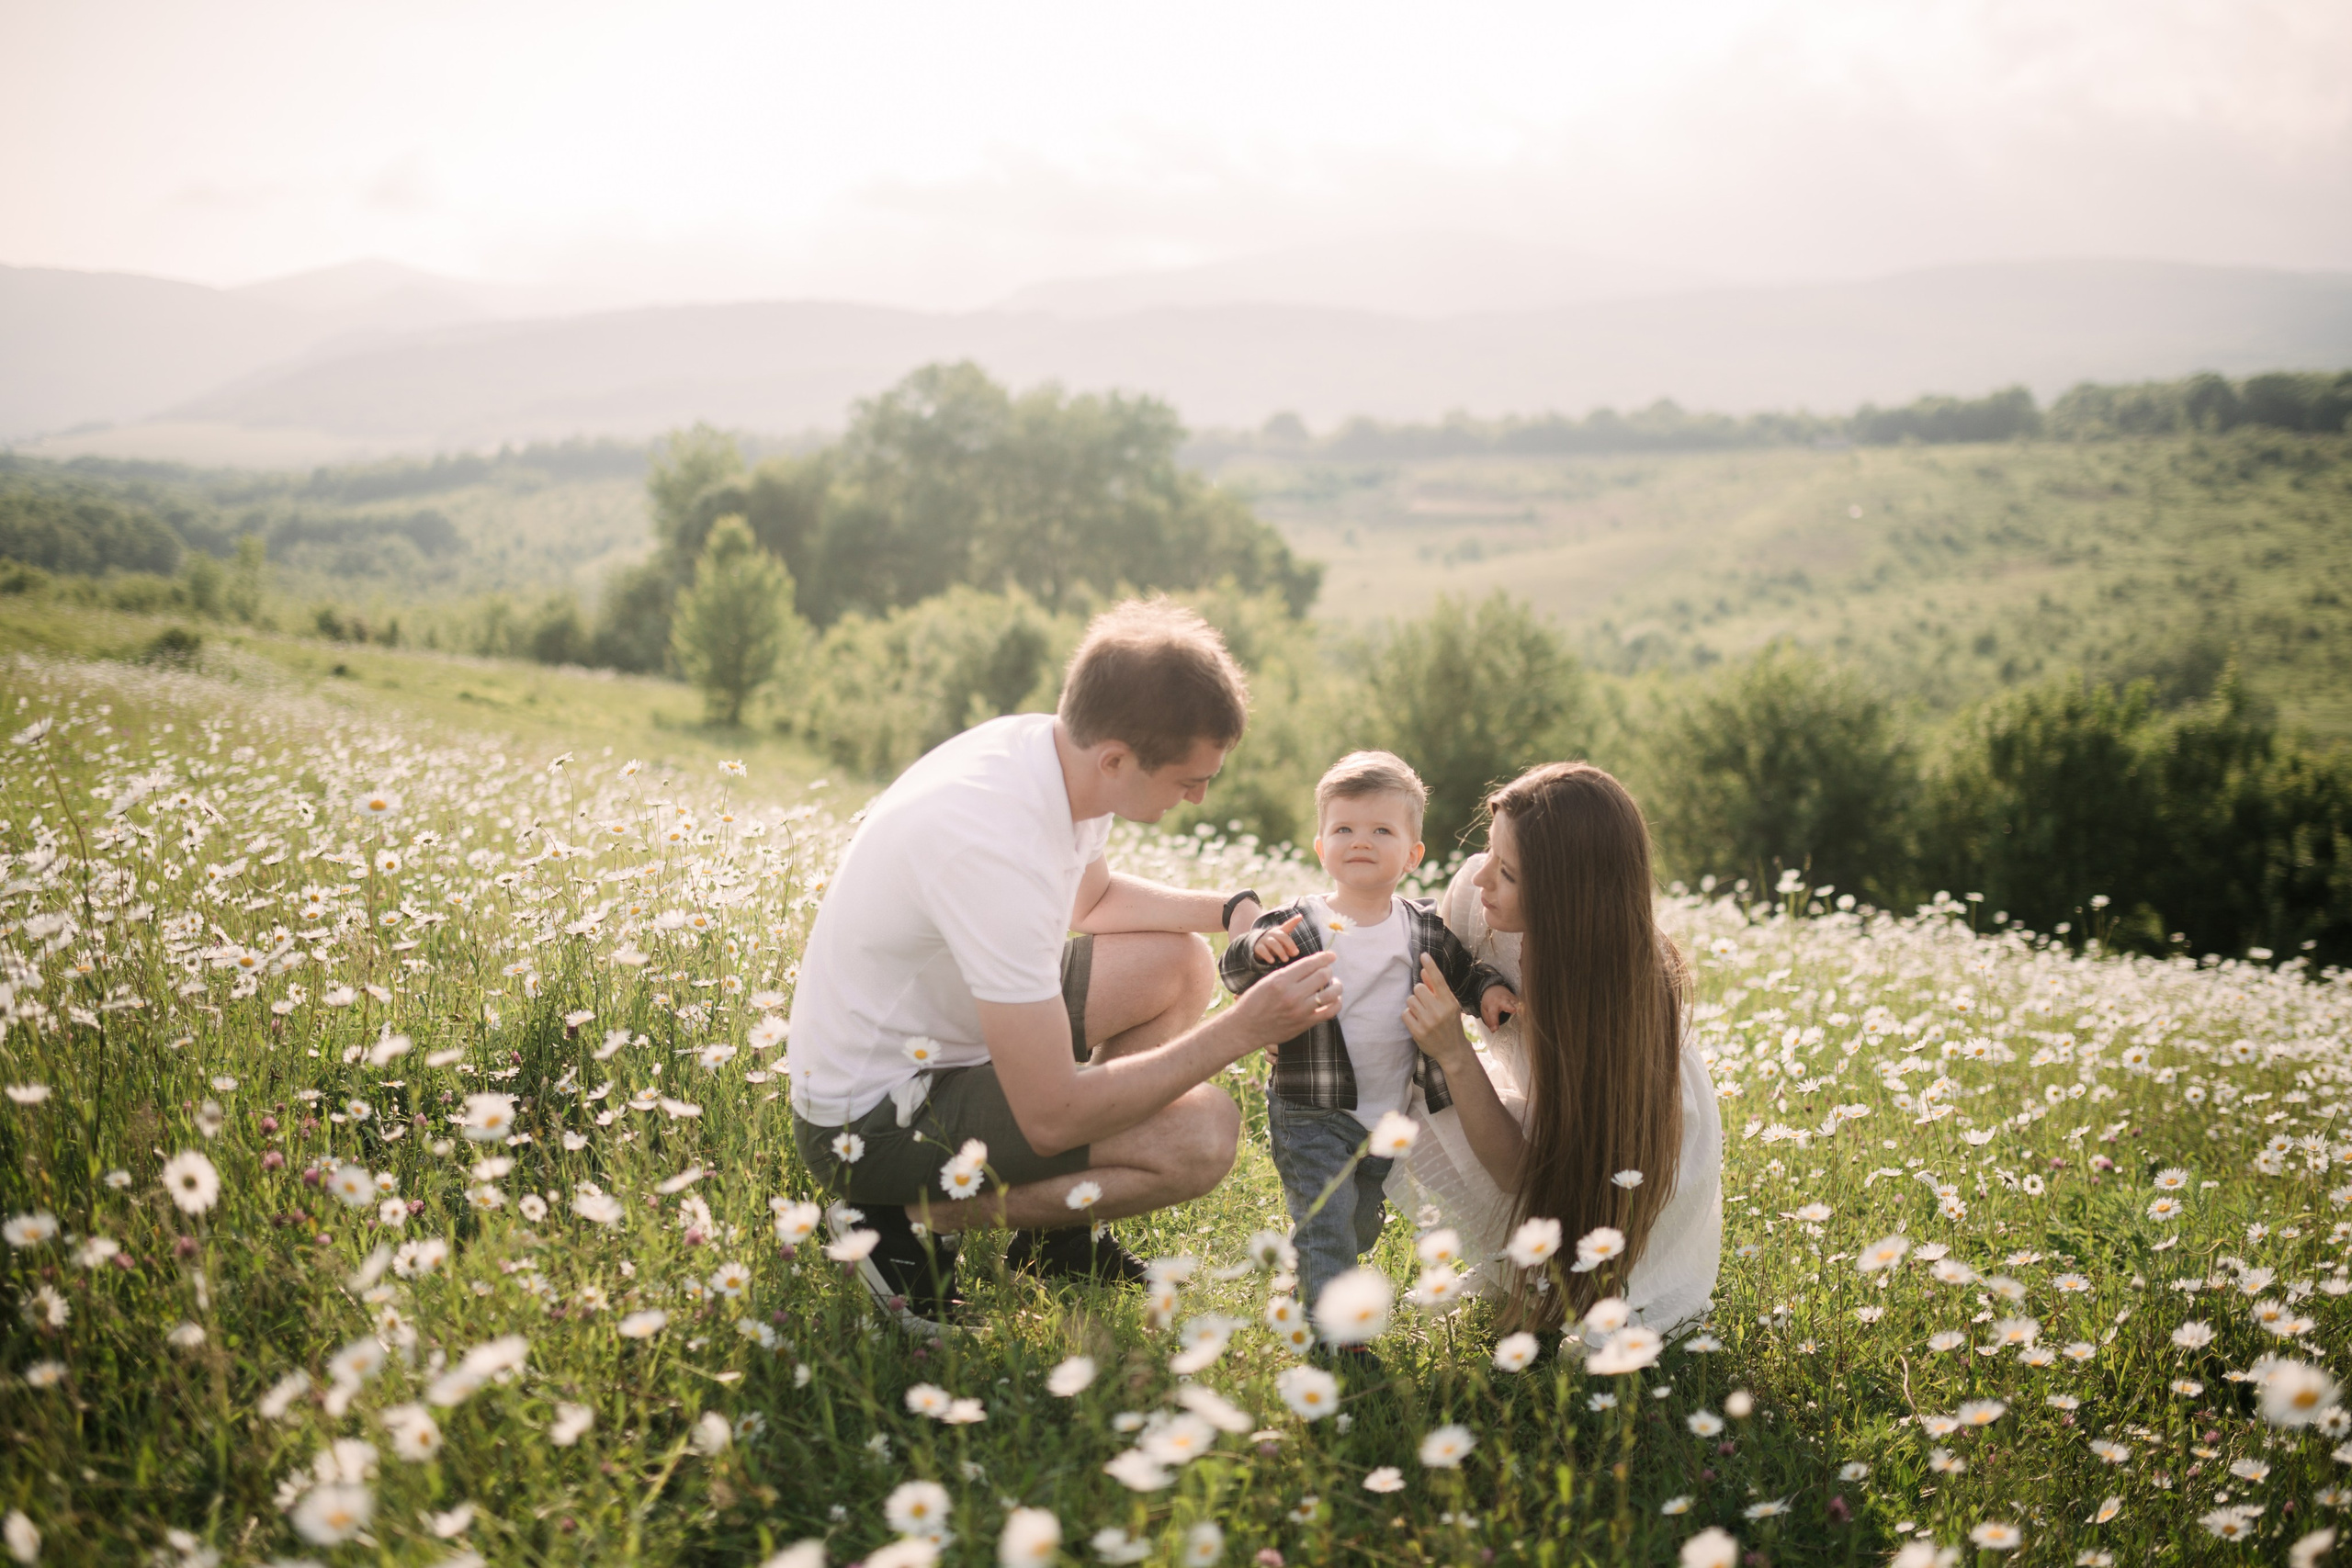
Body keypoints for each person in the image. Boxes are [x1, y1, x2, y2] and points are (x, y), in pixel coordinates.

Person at [786, 598, 1336, 1334]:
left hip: (949, 1038)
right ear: (1116, 757)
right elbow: (1051, 1115)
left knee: (1178, 963)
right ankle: (899, 1214)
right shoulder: (991, 846)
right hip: (875, 1118)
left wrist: (1232, 907)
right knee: (1202, 1136)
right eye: (1189, 778)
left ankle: (1056, 1242)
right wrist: (1244, 1028)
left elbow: (1096, 897)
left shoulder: (1054, 755)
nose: (1201, 795)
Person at [1393, 761, 1722, 1335]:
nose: (1480, 880)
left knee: (1587, 1319)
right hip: (1543, 1122)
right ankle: (1525, 1271)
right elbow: (1406, 956)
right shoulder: (1478, 899)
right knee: (1393, 1076)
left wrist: (1456, 1052)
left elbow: (1532, 1171)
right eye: (1490, 853)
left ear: (1568, 897)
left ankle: (1549, 1282)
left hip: (1621, 1174)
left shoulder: (1605, 993)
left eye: (1509, 873)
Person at [1218, 751, 1516, 1312]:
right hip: (1310, 1108)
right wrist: (1254, 948)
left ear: (1412, 853)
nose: (1361, 840)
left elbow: (1463, 975)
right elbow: (1234, 969)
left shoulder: (1421, 927)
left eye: (1382, 829)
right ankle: (1330, 1332)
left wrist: (1488, 993)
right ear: (1321, 846)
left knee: (1359, 1221)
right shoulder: (1297, 924)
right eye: (1344, 829)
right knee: (1327, 1221)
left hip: (1387, 1113)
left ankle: (1307, 1265)